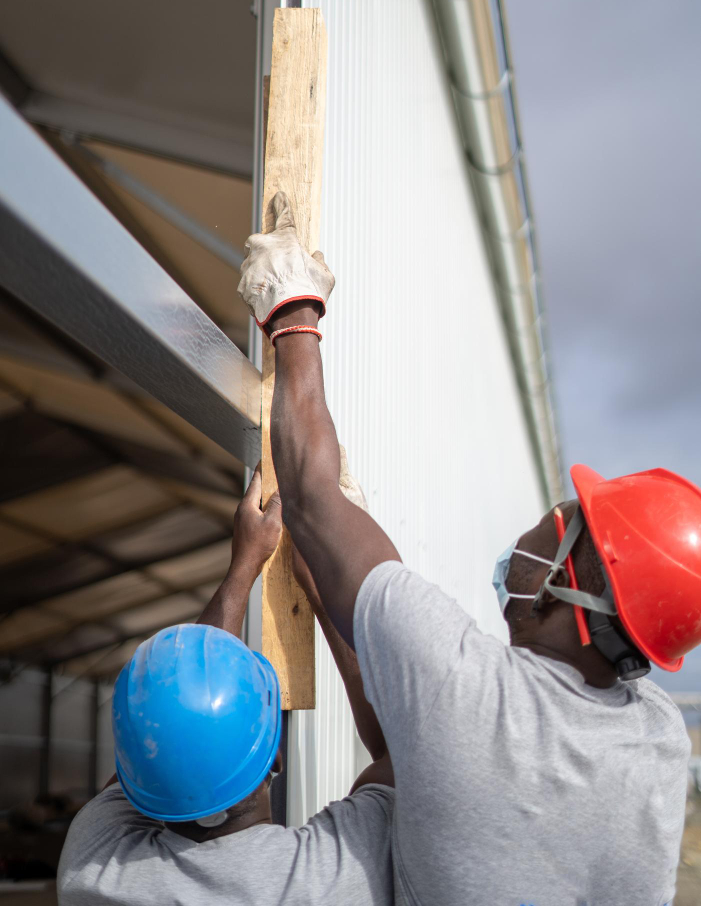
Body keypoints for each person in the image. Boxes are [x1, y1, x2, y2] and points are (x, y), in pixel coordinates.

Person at [237, 192, 701, 906]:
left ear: (571, 582)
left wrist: (292, 310)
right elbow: (422, 738)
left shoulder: (465, 686)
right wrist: (330, 586)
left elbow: (308, 493)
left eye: (566, 515)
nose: (547, 515)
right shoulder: (660, 743)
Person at [57, 466, 395, 906]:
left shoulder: (94, 870)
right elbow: (402, 757)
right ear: (275, 758)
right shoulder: (327, 876)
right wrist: (326, 595)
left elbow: (168, 718)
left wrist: (244, 565)